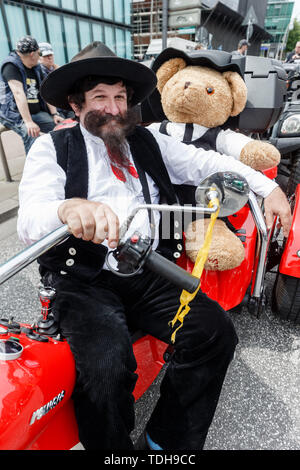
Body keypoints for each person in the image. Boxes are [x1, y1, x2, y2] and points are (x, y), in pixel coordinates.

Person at [17, 41, 292, 451]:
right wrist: (67, 209)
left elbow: (211, 163)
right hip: (84, 279)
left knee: (214, 332)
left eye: (120, 97)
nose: (113, 108)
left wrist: (269, 187)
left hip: (148, 268)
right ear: (76, 106)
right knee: (107, 367)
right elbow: (28, 222)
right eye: (100, 98)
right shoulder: (52, 147)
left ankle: (164, 442)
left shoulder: (148, 140)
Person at [0, 36, 63, 154]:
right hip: (14, 114)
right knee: (32, 135)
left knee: (60, 128)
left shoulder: (37, 68)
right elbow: (18, 93)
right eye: (39, 53)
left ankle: (58, 161)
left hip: (36, 112)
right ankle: (34, 170)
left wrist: (55, 114)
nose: (40, 56)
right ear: (32, 54)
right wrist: (28, 122)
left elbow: (46, 90)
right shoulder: (11, 66)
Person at [39, 41, 74, 120]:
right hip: (53, 111)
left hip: (65, 106)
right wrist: (54, 113)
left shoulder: (57, 69)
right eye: (46, 55)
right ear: (39, 58)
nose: (49, 57)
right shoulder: (38, 73)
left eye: (50, 55)